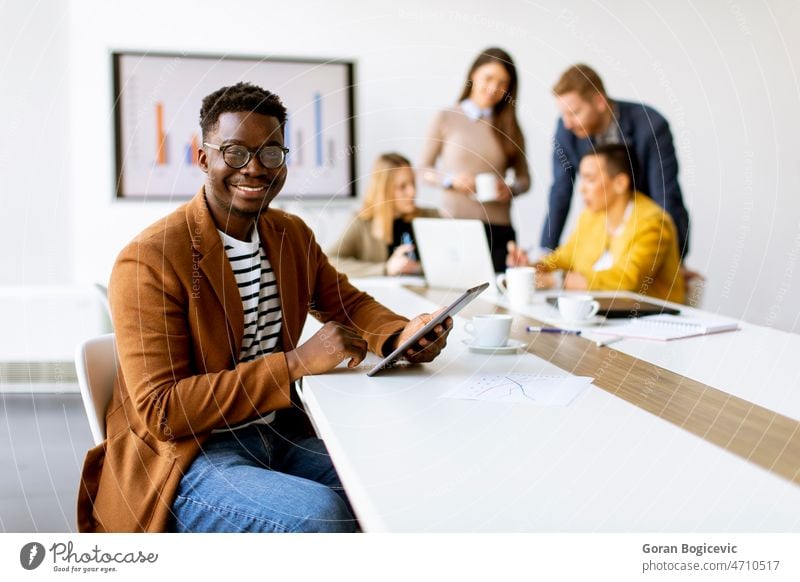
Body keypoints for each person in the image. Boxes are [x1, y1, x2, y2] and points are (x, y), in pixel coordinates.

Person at [77, 82, 453, 533]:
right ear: (204, 158)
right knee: (320, 516)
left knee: (391, 484)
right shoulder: (150, 259)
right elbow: (162, 410)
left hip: (277, 433)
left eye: (271, 153)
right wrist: (295, 363)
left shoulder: (290, 235)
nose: (254, 168)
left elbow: (347, 304)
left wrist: (403, 334)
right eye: (235, 152)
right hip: (187, 457)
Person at [541, 64, 690, 260]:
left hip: (645, 232)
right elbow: (560, 191)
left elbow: (664, 195)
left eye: (574, 112)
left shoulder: (651, 126)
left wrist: (670, 259)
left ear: (600, 102)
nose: (567, 123)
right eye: (564, 114)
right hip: (602, 234)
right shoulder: (567, 130)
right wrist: (545, 252)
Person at [509, 144, 685, 303]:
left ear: (620, 183)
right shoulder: (591, 216)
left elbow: (628, 280)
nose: (582, 188)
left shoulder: (653, 221)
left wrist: (559, 280)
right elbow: (564, 257)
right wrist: (532, 268)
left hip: (649, 320)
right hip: (598, 312)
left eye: (590, 179)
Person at [419, 47, 530, 273]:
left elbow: (524, 179)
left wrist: (510, 189)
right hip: (455, 226)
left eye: (503, 82)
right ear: (473, 74)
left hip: (499, 229)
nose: (493, 88)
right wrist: (451, 180)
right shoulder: (446, 117)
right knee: (452, 295)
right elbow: (422, 170)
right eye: (488, 78)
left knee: (499, 300)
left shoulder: (510, 126)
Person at [327, 153, 438, 278]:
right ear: (384, 190)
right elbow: (330, 261)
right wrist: (385, 268)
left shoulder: (432, 217)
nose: (412, 192)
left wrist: (417, 268)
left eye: (413, 183)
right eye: (402, 186)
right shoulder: (361, 222)